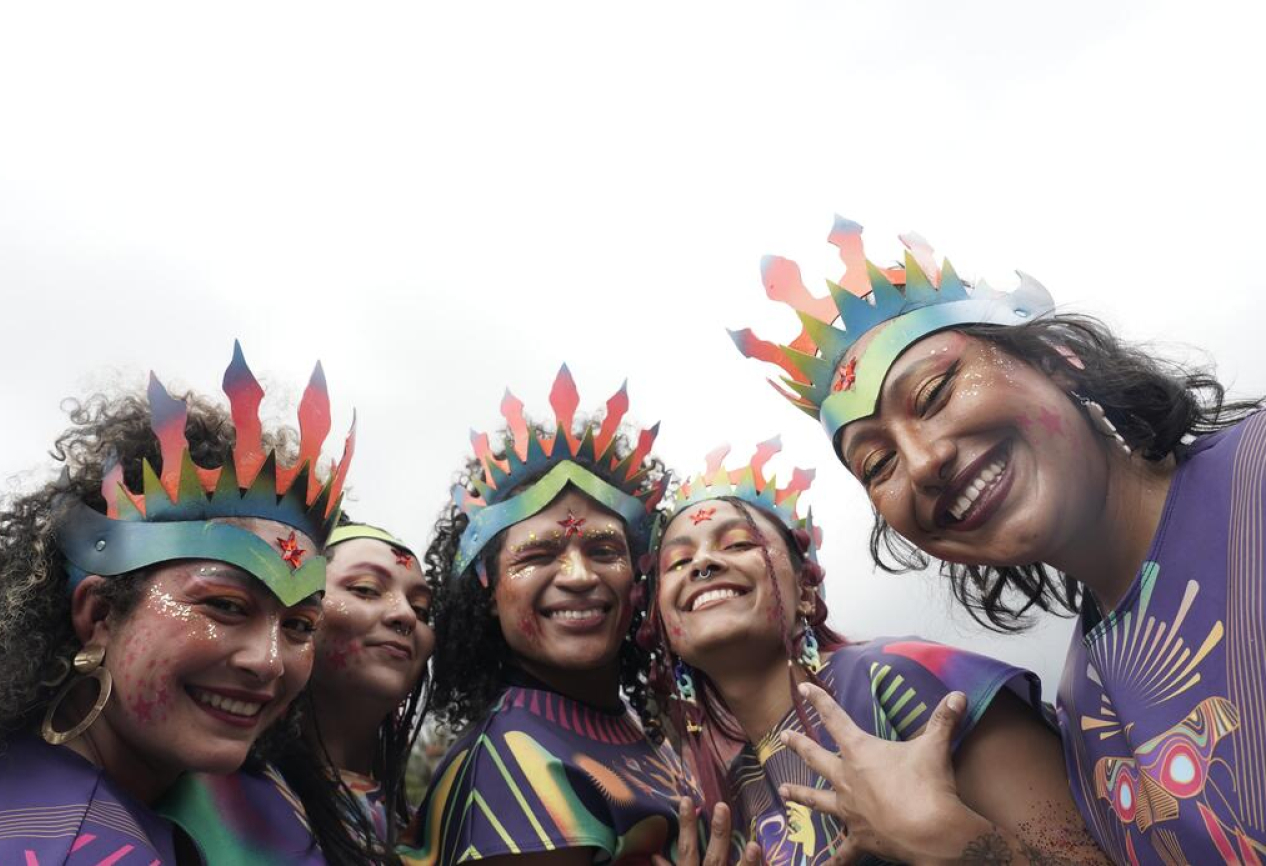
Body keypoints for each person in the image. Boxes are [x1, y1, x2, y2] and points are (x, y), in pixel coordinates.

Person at [733, 216, 1266, 862]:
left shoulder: (1253, 475)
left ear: (1057, 360)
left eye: (934, 393)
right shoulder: (1086, 711)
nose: (923, 463)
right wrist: (966, 847)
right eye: (878, 463)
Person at [0, 342, 354, 863]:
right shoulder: (48, 845)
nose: (268, 661)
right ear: (100, 615)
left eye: (300, 625)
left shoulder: (256, 801)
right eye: (226, 605)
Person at [644, 439, 1104, 864]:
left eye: (739, 544)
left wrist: (951, 842)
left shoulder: (903, 674)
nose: (702, 563)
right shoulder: (726, 798)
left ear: (806, 591)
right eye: (678, 562)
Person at [399, 366, 701, 866]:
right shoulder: (508, 763)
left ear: (638, 575)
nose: (579, 576)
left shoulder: (624, 721)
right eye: (538, 555)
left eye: (604, 550)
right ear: (488, 591)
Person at [270, 520, 434, 864]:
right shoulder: (223, 795)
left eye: (421, 609)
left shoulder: (433, 827)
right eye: (366, 589)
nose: (406, 615)